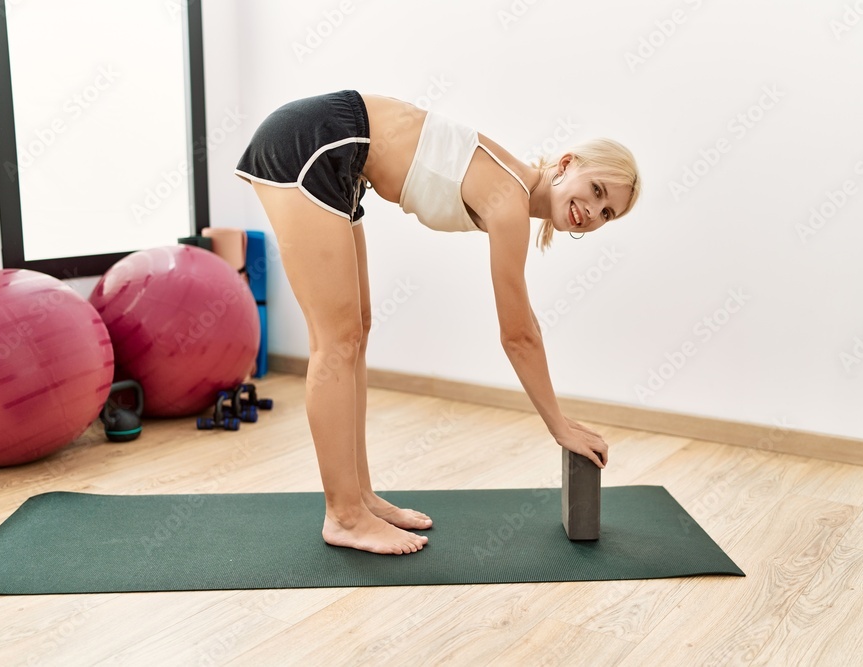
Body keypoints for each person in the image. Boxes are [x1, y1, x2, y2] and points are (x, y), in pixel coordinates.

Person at [235, 90, 641, 555]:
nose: (593, 211)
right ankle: (344, 516)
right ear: (567, 164)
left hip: (342, 157)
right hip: (314, 140)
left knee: (356, 331)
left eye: (607, 212)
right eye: (596, 190)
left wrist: (561, 418)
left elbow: (524, 323)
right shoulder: (508, 200)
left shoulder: (512, 194)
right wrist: (559, 426)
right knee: (336, 341)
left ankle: (361, 498)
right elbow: (518, 335)